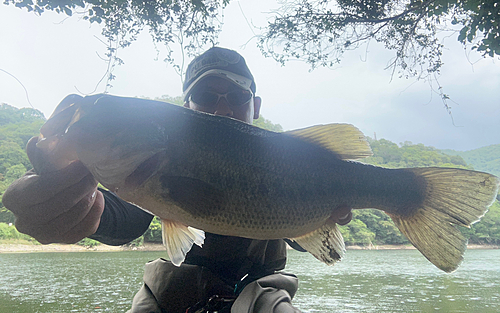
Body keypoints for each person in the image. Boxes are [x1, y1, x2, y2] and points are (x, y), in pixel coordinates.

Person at [3, 47, 352, 312]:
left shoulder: (289, 157)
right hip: (170, 292)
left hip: (262, 294)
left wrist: (327, 209)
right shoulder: (157, 155)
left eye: (237, 96)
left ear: (255, 105)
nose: (222, 107)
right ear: (187, 104)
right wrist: (79, 207)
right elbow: (126, 215)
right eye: (205, 97)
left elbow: (298, 234)